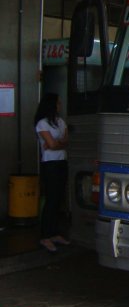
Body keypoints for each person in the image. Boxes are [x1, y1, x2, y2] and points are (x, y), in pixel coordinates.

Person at [34, 93, 71, 253]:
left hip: (61, 161)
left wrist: (56, 144)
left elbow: (63, 142)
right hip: (49, 164)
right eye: (58, 103)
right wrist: (56, 143)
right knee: (51, 198)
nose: (59, 105)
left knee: (58, 198)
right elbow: (53, 143)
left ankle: (54, 232)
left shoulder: (60, 122)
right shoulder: (42, 123)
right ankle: (45, 235)